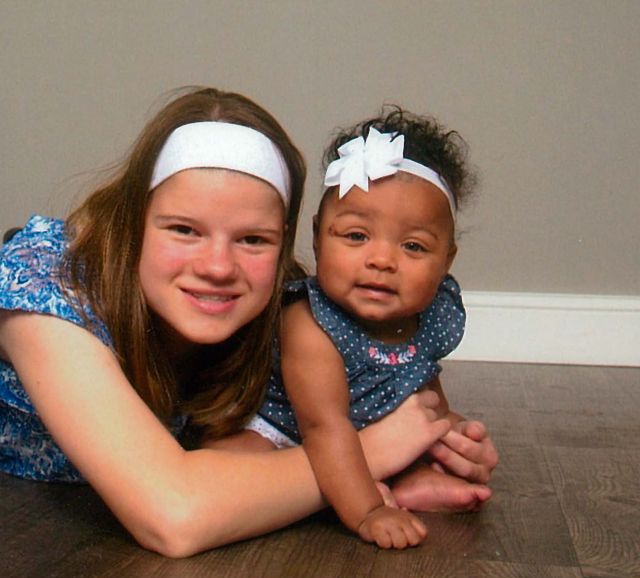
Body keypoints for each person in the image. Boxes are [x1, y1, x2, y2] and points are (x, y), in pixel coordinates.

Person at [0, 89, 497, 557]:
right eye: (183, 229)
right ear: (136, 225)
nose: (218, 266)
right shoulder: (41, 294)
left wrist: (429, 447)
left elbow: (344, 406)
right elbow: (175, 514)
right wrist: (374, 453)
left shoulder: (289, 308)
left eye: (253, 239)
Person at [208, 107, 495, 549]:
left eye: (413, 246)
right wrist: (369, 512)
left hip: (366, 433)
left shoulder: (432, 313)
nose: (381, 260)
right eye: (357, 236)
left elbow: (422, 382)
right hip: (291, 435)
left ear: (446, 261)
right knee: (228, 468)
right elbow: (324, 428)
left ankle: (405, 483)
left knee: (444, 434)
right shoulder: (309, 321)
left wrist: (446, 434)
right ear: (318, 237)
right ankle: (352, 494)